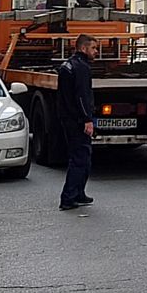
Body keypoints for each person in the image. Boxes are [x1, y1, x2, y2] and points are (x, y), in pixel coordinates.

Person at [57, 33, 97, 211]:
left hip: (68, 117)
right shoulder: (81, 68)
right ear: (83, 48)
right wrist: (87, 119)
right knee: (80, 158)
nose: (96, 52)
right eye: (94, 48)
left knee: (83, 157)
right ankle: (69, 197)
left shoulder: (69, 65)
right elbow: (81, 96)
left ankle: (79, 193)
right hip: (77, 120)